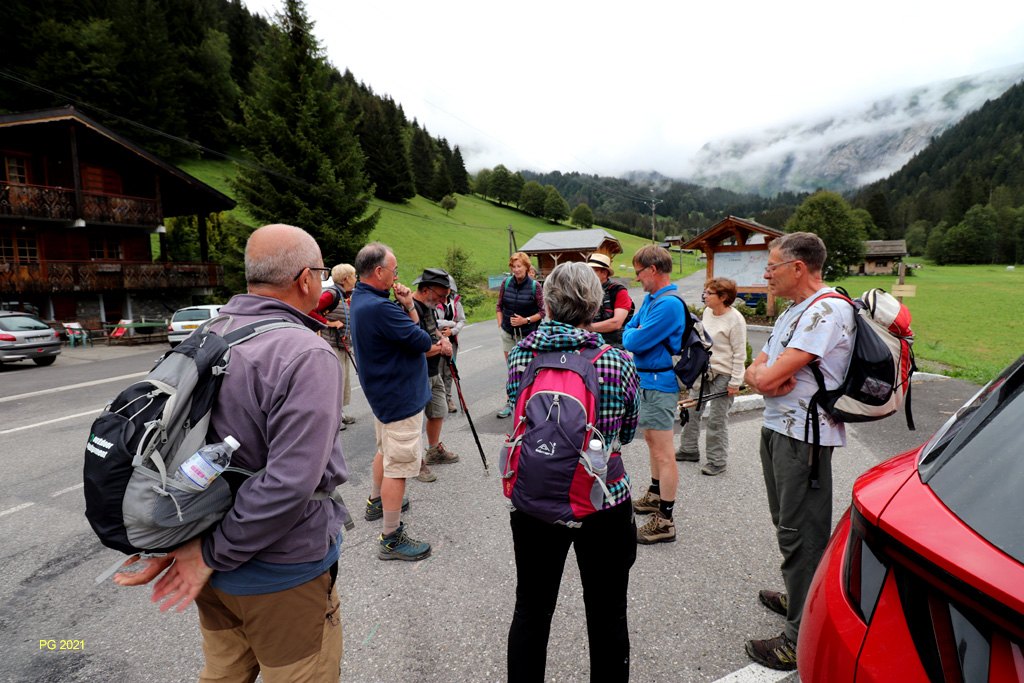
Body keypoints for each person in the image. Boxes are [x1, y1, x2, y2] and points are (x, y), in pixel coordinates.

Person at [114, 223, 348, 681]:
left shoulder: (206, 332)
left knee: (223, 674)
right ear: (306, 279)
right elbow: (289, 483)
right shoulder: (304, 352)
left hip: (207, 564)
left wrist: (194, 549)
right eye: (320, 273)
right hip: (277, 569)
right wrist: (211, 554)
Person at [504, 262, 640, 683]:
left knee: (531, 608)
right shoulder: (616, 361)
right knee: (606, 612)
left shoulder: (521, 354)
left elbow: (517, 411)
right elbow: (626, 433)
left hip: (533, 499)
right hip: (602, 499)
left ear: (545, 301)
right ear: (595, 305)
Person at [742, 232, 855, 670]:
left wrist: (765, 375)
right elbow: (758, 368)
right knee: (788, 524)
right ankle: (801, 596)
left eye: (772, 266)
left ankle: (798, 637)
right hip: (778, 428)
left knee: (801, 533)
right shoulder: (795, 311)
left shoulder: (827, 309)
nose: (766, 274)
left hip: (803, 436)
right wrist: (763, 374)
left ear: (798, 268)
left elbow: (768, 378)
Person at [350, 242, 434, 561]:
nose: (397, 276)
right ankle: (391, 537)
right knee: (398, 468)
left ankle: (375, 501)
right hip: (399, 398)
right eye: (394, 270)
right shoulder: (381, 308)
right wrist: (410, 306)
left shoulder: (360, 298)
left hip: (384, 394)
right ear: (379, 272)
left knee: (385, 451)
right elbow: (422, 341)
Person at [622, 245, 687, 545]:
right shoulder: (651, 299)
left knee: (663, 451)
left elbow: (634, 339)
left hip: (660, 384)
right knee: (652, 443)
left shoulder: (669, 304)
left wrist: (634, 332)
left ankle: (666, 520)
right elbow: (630, 330)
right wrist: (633, 331)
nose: (637, 279)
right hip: (647, 380)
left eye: (638, 272)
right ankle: (655, 494)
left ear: (652, 270)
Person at [676, 277, 747, 476]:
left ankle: (717, 461)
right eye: (704, 292)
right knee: (692, 411)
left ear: (723, 297)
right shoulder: (707, 312)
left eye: (709, 293)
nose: (704, 296)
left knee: (716, 419)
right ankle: (688, 450)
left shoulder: (736, 320)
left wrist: (735, 382)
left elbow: (740, 354)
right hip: (703, 371)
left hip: (724, 375)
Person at [411, 268, 458, 480]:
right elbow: (416, 346)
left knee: (438, 410)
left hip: (433, 369)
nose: (442, 301)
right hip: (416, 373)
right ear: (426, 289)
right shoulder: (409, 309)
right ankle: (415, 462)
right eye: (441, 296)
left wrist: (443, 338)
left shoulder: (428, 306)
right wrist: (442, 348)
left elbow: (433, 330)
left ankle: (433, 451)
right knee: (412, 422)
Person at [496, 251, 545, 418]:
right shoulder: (506, 283)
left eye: (519, 266)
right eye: (514, 266)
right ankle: (511, 402)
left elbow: (542, 312)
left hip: (527, 335)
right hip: (508, 334)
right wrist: (501, 324)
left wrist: (526, 320)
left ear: (526, 267)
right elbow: (499, 306)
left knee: (527, 370)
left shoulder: (535, 286)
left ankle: (530, 403)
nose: (516, 269)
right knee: (512, 369)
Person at [325, 263, 357, 429]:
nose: (356, 279)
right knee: (336, 380)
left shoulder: (344, 294)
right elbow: (310, 311)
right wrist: (328, 323)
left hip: (342, 342)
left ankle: (340, 412)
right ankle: (333, 418)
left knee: (344, 379)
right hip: (332, 343)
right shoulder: (331, 294)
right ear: (346, 279)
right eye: (354, 276)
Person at [586, 252, 633, 349]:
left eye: (593, 271)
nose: (588, 275)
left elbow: (617, 323)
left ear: (604, 273)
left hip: (614, 349)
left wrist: (586, 328)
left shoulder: (619, 291)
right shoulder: (584, 292)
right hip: (590, 346)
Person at [436, 274, 466, 413]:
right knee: (437, 371)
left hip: (452, 341)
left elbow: (462, 320)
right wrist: (451, 323)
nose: (445, 291)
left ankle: (448, 398)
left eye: (447, 288)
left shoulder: (455, 302)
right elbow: (434, 322)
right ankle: (438, 399)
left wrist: (453, 331)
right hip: (436, 340)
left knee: (449, 371)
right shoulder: (433, 302)